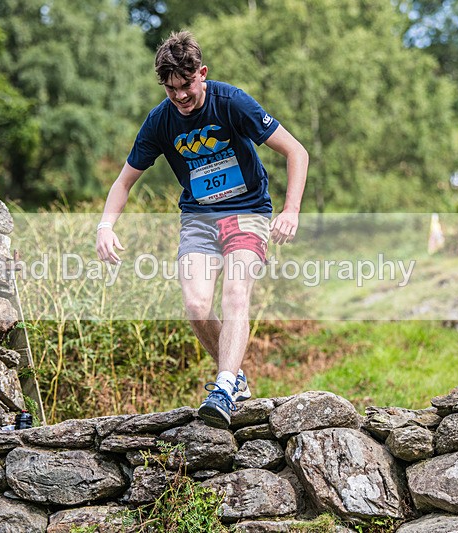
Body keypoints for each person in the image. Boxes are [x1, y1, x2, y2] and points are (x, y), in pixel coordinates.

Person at [96, 30, 308, 429]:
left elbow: (297, 151)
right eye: (171, 88)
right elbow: (123, 182)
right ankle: (236, 377)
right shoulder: (160, 121)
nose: (180, 96)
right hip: (198, 218)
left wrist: (291, 209)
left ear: (202, 74)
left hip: (246, 211)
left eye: (187, 86)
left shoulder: (232, 102)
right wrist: (105, 226)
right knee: (195, 306)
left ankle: (224, 385)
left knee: (235, 293)